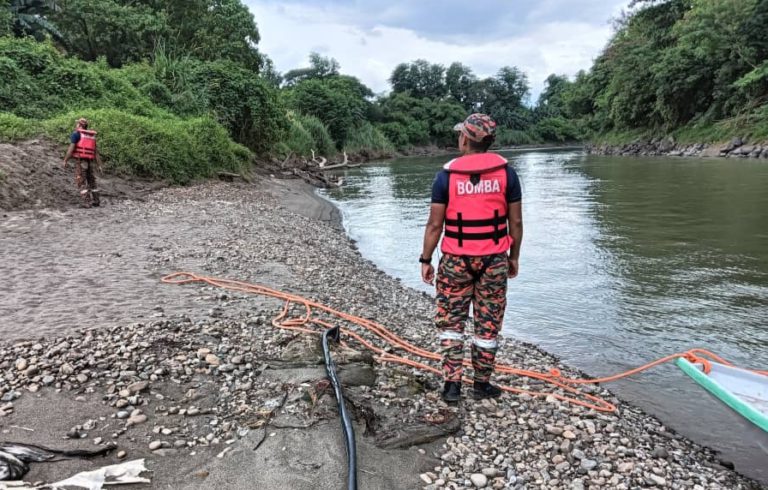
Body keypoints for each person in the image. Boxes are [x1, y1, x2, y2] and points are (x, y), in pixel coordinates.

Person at [420, 113, 523, 403]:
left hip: (455, 261)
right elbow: (515, 223)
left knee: (451, 322)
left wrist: (425, 260)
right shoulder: (508, 175)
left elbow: (434, 226)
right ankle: (482, 384)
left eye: (460, 134)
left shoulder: (445, 177)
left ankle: (452, 386)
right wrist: (514, 257)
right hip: (494, 260)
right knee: (488, 323)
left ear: (465, 139)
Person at [63, 118, 102, 208]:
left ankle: (87, 202)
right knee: (92, 181)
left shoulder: (76, 134)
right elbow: (96, 152)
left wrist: (65, 160)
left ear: (80, 125)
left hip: (81, 161)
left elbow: (71, 149)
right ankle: (96, 201)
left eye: (77, 123)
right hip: (90, 162)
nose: (76, 125)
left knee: (81, 181)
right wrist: (99, 165)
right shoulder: (91, 136)